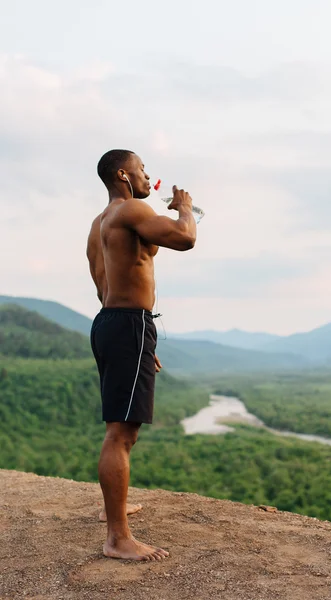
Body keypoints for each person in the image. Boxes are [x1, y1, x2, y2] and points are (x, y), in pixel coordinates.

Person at [87, 149, 197, 561]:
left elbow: (102, 284)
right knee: (123, 432)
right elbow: (185, 238)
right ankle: (118, 538)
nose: (148, 175)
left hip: (111, 321)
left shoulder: (100, 223)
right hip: (128, 323)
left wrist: (136, 344)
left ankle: (110, 510)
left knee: (120, 425)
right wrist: (185, 208)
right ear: (123, 174)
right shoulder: (130, 210)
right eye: (142, 169)